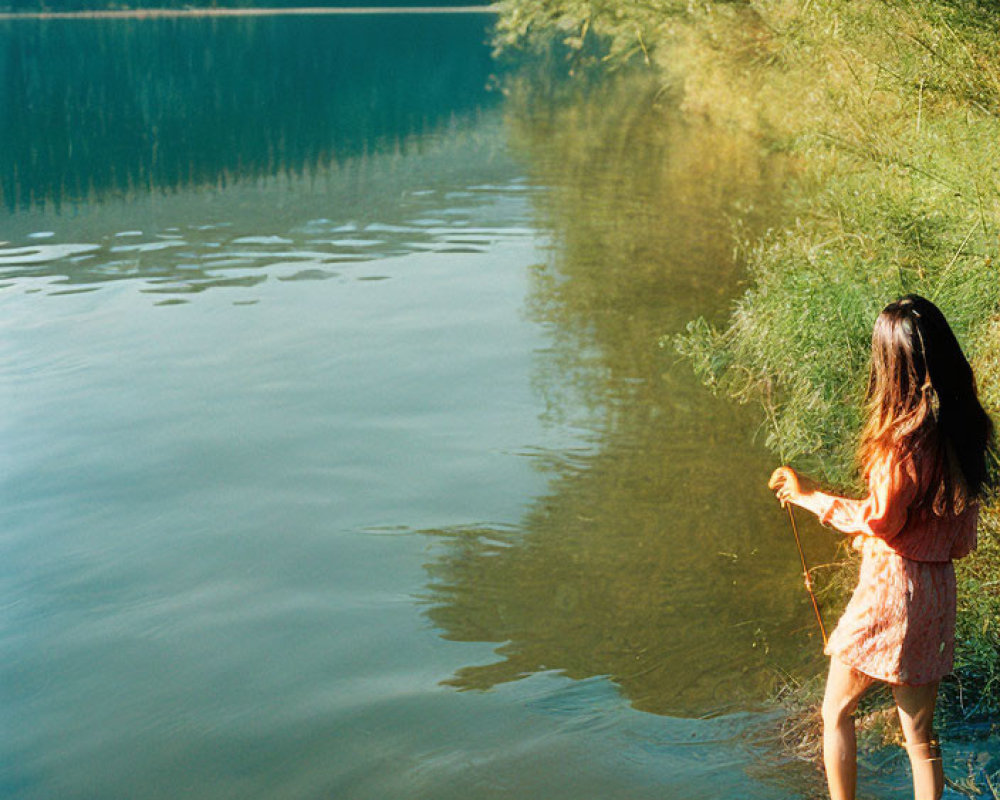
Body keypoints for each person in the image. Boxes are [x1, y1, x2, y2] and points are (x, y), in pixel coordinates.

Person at [767, 294, 995, 800]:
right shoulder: (965, 429)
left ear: (893, 367)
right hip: (937, 590)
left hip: (894, 592)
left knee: (836, 712)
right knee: (921, 737)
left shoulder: (902, 444)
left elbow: (881, 520)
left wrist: (809, 497)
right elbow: (952, 534)